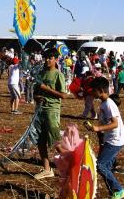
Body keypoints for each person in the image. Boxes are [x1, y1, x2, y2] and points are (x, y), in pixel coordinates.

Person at [33, 50, 74, 180]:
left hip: (52, 110)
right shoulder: (41, 73)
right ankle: (47, 169)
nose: (47, 60)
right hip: (40, 111)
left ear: (56, 59)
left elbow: (64, 95)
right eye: (45, 58)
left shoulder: (58, 75)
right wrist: (37, 97)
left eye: (50, 58)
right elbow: (35, 92)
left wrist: (46, 89)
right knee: (40, 141)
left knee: (56, 141)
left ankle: (73, 167)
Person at [86, 76, 124, 199]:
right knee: (106, 167)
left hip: (115, 140)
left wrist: (98, 129)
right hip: (109, 139)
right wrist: (100, 136)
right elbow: (105, 123)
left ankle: (119, 189)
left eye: (93, 90)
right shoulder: (104, 104)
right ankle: (114, 192)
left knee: (100, 165)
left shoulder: (109, 104)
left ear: (100, 90)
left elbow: (115, 123)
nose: (92, 92)